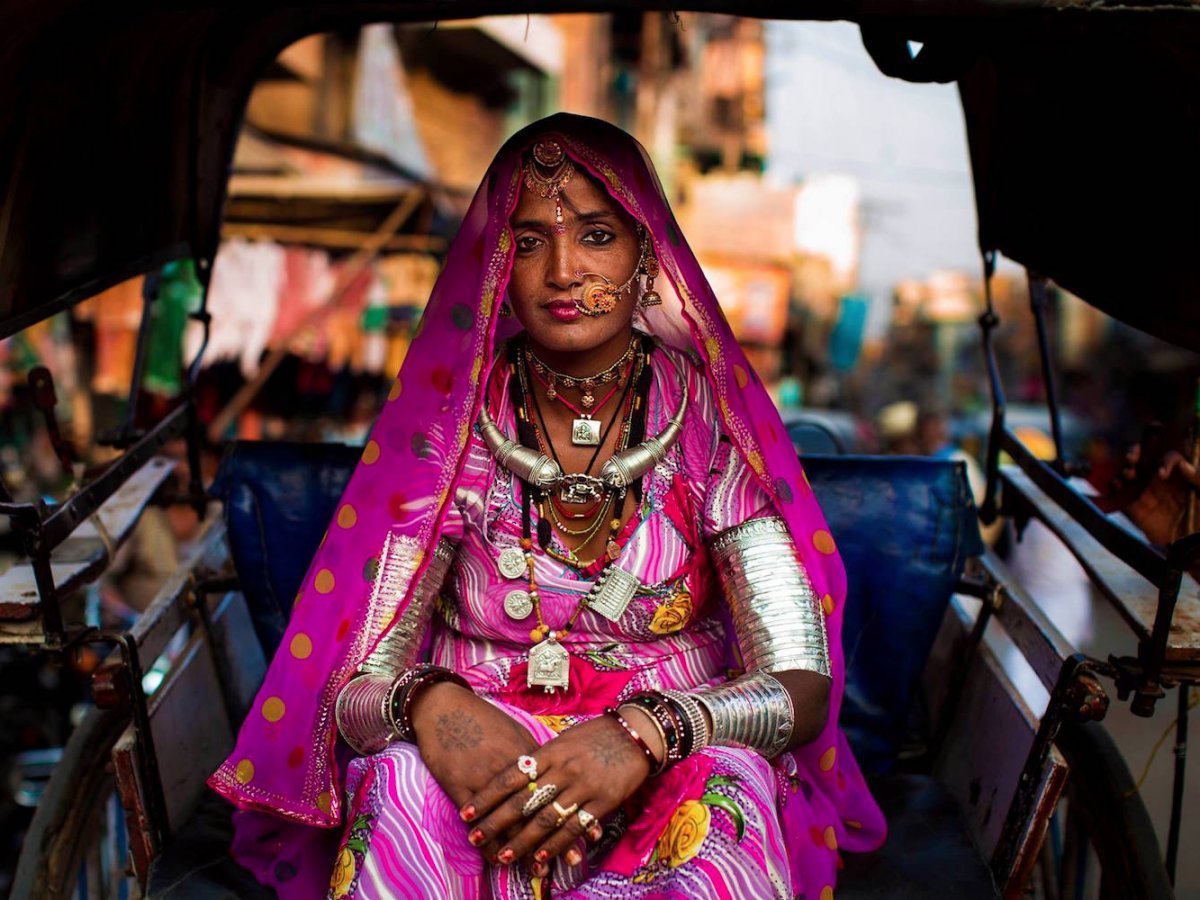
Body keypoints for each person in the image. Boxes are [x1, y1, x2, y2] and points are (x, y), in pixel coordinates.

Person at [209, 114, 884, 900]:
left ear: (647, 254)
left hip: (670, 758)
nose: (563, 270)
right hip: (484, 770)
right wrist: (433, 707)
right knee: (393, 782)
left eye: (596, 235)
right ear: (496, 264)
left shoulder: (708, 421)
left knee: (728, 791)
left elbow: (799, 685)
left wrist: (647, 733)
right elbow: (352, 686)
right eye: (528, 242)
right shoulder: (448, 427)